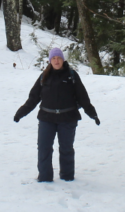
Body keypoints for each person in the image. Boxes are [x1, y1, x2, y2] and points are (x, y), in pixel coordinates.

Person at [14, 48, 99, 182]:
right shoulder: (44, 76)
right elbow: (33, 98)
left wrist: (92, 114)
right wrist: (20, 113)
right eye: (53, 58)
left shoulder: (72, 75)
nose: (56, 60)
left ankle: (67, 177)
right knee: (44, 149)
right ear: (50, 60)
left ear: (63, 59)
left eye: (58, 58)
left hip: (68, 118)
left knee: (66, 149)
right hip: (47, 118)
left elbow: (83, 98)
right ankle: (45, 177)